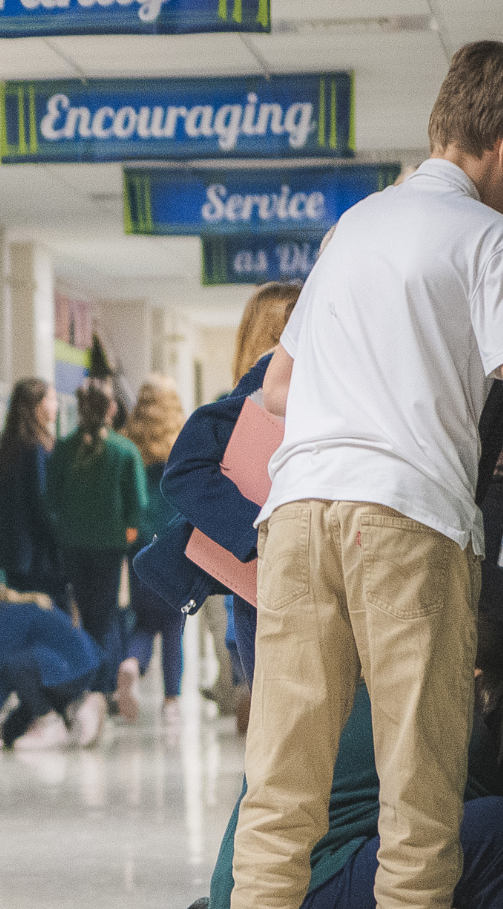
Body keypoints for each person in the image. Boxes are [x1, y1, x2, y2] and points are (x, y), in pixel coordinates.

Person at [237, 41, 503, 909]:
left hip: (296, 515)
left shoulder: (354, 225)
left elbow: (278, 388)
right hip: (404, 523)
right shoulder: (492, 239)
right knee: (420, 801)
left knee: (281, 792)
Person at [211, 618, 503, 909]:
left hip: (240, 888)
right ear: (475, 674)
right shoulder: (452, 721)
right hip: (302, 887)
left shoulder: (349, 685)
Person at [197, 283, 300, 719]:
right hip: (289, 549)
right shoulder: (280, 392)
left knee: (271, 700)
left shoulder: (232, 399)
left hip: (252, 566)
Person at [45, 379, 145, 747]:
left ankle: (85, 685)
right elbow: (137, 505)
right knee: (106, 616)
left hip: (72, 544)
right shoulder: (123, 451)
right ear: (112, 410)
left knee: (83, 615)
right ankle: (101, 690)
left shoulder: (64, 450)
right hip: (110, 547)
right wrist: (126, 537)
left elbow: (51, 499)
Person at [0, 576, 99, 752]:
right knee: (11, 731)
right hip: (73, 669)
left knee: (15, 664)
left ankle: (51, 724)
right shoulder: (1, 614)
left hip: (70, 670)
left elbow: (2, 674)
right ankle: (76, 712)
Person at [115, 375, 187, 725]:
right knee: (174, 622)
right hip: (175, 540)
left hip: (138, 540)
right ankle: (171, 701)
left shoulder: (128, 441)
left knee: (144, 620)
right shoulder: (183, 440)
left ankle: (131, 663)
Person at [0, 378, 62, 600]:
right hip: (38, 557)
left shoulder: (11, 444)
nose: (56, 404)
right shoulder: (35, 448)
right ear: (37, 406)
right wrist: (62, 538)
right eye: (52, 398)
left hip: (16, 554)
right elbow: (42, 501)